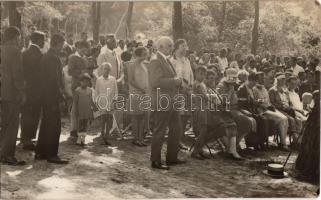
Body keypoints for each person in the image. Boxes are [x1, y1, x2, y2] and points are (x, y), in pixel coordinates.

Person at [148, 36, 186, 170]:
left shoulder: (166, 60)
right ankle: (155, 160)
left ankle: (171, 157)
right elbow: (155, 82)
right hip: (162, 100)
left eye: (171, 45)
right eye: (169, 45)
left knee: (177, 128)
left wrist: (178, 83)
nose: (172, 48)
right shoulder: (155, 61)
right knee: (160, 130)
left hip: (171, 101)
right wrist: (174, 81)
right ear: (161, 47)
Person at [191, 66, 243, 160]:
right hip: (200, 110)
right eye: (200, 74)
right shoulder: (197, 84)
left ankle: (199, 149)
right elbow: (206, 96)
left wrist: (216, 99)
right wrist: (215, 99)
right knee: (203, 131)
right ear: (195, 74)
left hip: (205, 109)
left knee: (207, 130)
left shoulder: (202, 84)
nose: (202, 76)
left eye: (203, 74)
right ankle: (195, 151)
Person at [36, 34, 68, 164]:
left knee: (46, 124)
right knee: (54, 126)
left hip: (45, 96)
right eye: (62, 45)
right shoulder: (53, 58)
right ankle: (52, 154)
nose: (62, 48)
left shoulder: (46, 57)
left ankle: (41, 152)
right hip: (52, 96)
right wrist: (61, 97)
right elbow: (54, 81)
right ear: (58, 43)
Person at [0, 27, 26, 165]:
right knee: (12, 125)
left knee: (4, 124)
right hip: (11, 94)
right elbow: (18, 74)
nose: (20, 39)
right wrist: (22, 91)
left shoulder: (2, 49)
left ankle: (2, 152)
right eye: (19, 36)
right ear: (15, 37)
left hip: (3, 92)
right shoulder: (15, 51)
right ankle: (7, 155)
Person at [217, 68, 257, 148]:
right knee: (244, 122)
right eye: (232, 78)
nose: (234, 80)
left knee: (250, 122)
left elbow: (236, 99)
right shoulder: (221, 86)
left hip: (235, 109)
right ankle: (231, 145)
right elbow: (223, 102)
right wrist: (230, 92)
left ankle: (235, 142)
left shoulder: (232, 85)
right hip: (226, 111)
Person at [20, 31, 45, 151]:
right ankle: (27, 140)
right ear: (39, 40)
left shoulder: (24, 53)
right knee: (33, 114)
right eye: (43, 40)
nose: (44, 42)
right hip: (35, 90)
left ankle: (25, 137)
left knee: (26, 114)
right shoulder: (38, 54)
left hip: (27, 88)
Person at [253, 73, 290, 151]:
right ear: (256, 79)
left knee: (285, 118)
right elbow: (256, 102)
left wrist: (270, 105)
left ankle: (282, 142)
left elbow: (268, 101)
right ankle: (283, 144)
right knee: (282, 119)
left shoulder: (264, 88)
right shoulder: (254, 89)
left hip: (268, 109)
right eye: (261, 78)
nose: (263, 80)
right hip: (262, 111)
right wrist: (265, 105)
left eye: (263, 78)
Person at [169, 39, 194, 150]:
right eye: (183, 46)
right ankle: (174, 140)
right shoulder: (172, 60)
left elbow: (191, 74)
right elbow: (173, 76)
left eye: (186, 46)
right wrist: (182, 86)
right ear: (177, 47)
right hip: (177, 91)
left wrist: (191, 86)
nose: (185, 48)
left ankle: (180, 138)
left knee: (185, 116)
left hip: (187, 91)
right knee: (177, 116)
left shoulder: (186, 60)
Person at [128, 47, 149, 146]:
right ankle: (135, 138)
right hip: (135, 93)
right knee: (136, 116)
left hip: (144, 93)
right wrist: (141, 88)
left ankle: (141, 138)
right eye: (144, 54)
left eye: (147, 54)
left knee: (143, 117)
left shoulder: (144, 64)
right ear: (139, 54)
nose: (146, 56)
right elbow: (131, 80)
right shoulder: (132, 64)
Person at [269, 73, 300, 143]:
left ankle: (296, 141)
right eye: (281, 80)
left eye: (284, 80)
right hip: (278, 110)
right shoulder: (273, 90)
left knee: (298, 120)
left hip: (288, 110)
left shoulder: (285, 91)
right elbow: (271, 103)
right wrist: (282, 107)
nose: (283, 82)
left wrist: (290, 107)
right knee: (291, 120)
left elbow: (290, 102)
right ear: (277, 80)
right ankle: (291, 140)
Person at [68, 41, 90, 138]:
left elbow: (88, 70)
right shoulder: (73, 57)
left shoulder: (85, 58)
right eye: (82, 49)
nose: (84, 51)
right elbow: (70, 71)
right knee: (75, 108)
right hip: (76, 85)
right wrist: (82, 73)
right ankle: (73, 129)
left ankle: (80, 129)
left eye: (85, 50)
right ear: (78, 48)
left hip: (85, 86)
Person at [95, 63, 118, 145]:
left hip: (110, 102)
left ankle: (107, 136)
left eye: (108, 69)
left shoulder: (113, 79)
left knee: (109, 119)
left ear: (110, 70)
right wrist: (96, 102)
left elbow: (116, 91)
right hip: (102, 102)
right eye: (105, 69)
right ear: (102, 69)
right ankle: (102, 134)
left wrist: (115, 101)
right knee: (103, 119)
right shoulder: (99, 80)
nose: (106, 70)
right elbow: (96, 91)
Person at [73, 73, 97, 146]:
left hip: (87, 110)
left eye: (86, 81)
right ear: (80, 82)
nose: (85, 83)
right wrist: (76, 110)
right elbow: (75, 102)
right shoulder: (77, 90)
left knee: (85, 124)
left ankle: (83, 139)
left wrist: (94, 107)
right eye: (83, 81)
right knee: (80, 124)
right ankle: (79, 139)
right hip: (80, 110)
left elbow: (91, 100)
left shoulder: (90, 90)